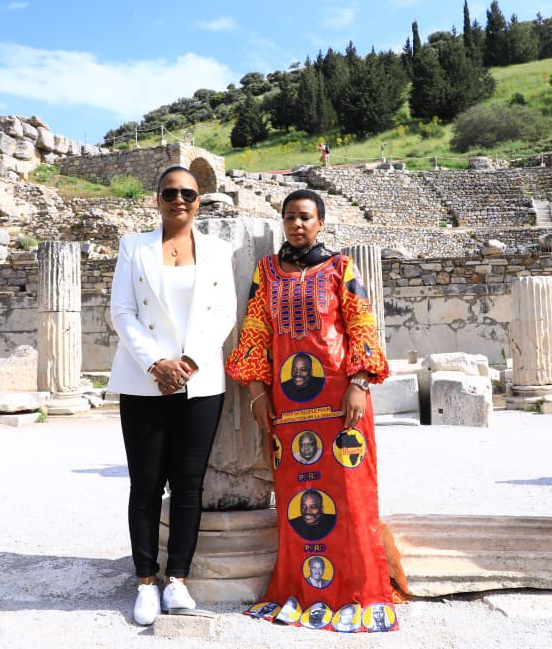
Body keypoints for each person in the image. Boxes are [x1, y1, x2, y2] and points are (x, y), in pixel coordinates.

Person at [226, 188, 398, 633]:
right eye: (290, 217)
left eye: (305, 217)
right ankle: (305, 590)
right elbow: (255, 334)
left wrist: (360, 383)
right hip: (287, 404)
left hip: (341, 399)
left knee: (351, 495)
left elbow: (360, 322)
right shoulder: (266, 273)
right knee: (298, 499)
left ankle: (358, 590)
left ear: (321, 222)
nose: (297, 225)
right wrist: (258, 394)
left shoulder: (341, 267)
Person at [107, 165, 237, 626]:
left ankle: (178, 578)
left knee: (188, 486)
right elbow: (121, 312)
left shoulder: (219, 251)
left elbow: (224, 314)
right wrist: (156, 363)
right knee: (144, 485)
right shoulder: (133, 246)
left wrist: (189, 363)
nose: (179, 200)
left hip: (198, 380)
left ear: (199, 200)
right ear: (156, 198)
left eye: (188, 193)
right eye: (169, 193)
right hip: (144, 379)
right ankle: (145, 580)